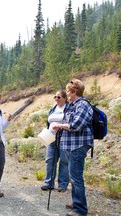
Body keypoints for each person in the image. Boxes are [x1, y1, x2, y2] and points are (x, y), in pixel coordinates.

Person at [52, 79, 93, 216]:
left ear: (75, 91)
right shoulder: (72, 105)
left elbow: (76, 125)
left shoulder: (83, 105)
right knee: (73, 175)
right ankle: (77, 203)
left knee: (76, 177)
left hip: (79, 144)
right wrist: (61, 127)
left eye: (68, 91)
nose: (67, 94)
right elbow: (68, 122)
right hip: (72, 145)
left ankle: (80, 210)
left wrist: (60, 126)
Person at [41, 90, 70, 192]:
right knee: (50, 160)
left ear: (65, 98)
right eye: (55, 97)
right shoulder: (53, 108)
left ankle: (62, 184)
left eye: (59, 97)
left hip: (64, 138)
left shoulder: (68, 108)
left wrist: (61, 127)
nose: (56, 99)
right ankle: (48, 183)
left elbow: (70, 122)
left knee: (64, 161)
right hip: (51, 137)